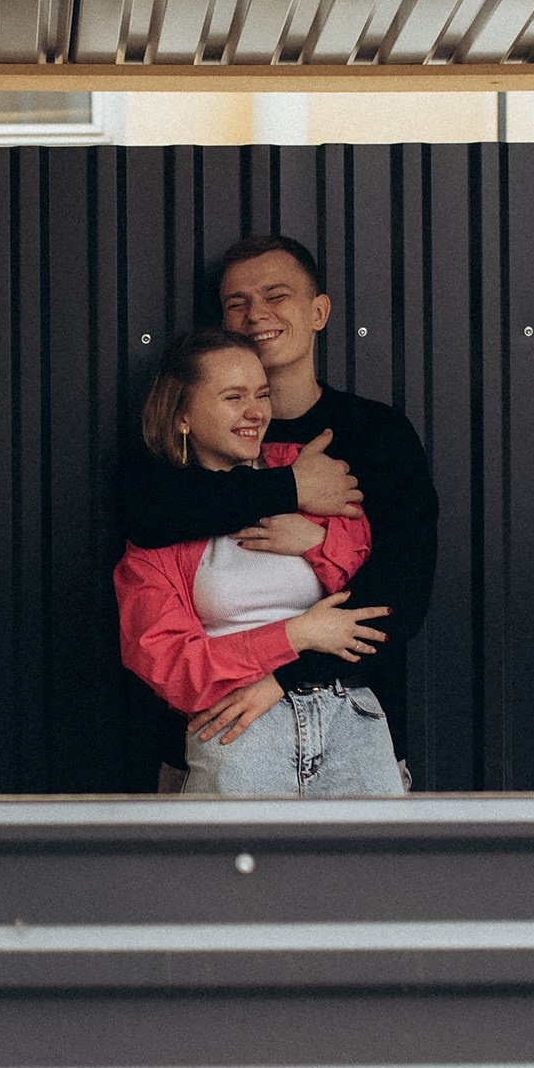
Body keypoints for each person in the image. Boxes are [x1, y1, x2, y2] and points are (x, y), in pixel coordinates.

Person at [120, 234, 439, 775]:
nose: (255, 314)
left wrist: (285, 675)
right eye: (236, 303)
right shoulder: (187, 444)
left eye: (276, 295)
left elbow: (399, 596)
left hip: (353, 730)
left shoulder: (377, 435)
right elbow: (151, 517)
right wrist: (292, 488)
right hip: (221, 736)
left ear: (319, 312)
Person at [114, 329, 402, 795]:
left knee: (379, 867)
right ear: (182, 415)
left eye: (262, 394)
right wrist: (297, 633)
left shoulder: (308, 471)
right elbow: (168, 664)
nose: (256, 412)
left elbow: (377, 574)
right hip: (237, 728)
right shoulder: (160, 522)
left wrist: (316, 540)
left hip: (350, 715)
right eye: (233, 397)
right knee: (236, 869)